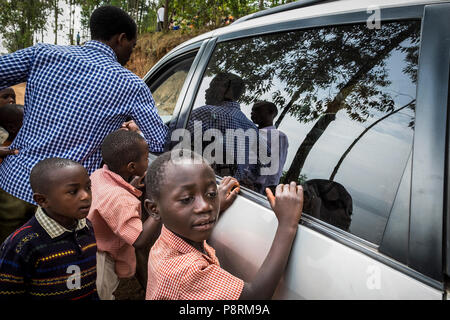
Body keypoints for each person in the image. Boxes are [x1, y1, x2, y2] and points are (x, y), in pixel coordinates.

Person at [0, 6, 168, 242]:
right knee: (57, 273)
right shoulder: (130, 84)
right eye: (132, 45)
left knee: (7, 268)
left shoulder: (42, 54)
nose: (132, 52)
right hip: (66, 203)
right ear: (121, 39)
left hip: (13, 184)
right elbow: (159, 140)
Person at [144, 150, 303, 300]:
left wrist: (216, 204)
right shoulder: (185, 271)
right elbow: (256, 296)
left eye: (211, 194)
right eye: (186, 199)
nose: (206, 206)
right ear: (154, 209)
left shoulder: (167, 240)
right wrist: (287, 224)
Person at [0, 158, 98, 300]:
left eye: (88, 187)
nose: (85, 196)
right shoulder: (22, 244)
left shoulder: (86, 227)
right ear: (42, 200)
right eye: (73, 191)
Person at [87, 130, 161, 300]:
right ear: (131, 167)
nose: (149, 161)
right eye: (146, 157)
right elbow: (139, 240)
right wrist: (161, 210)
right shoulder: (121, 199)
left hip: (91, 247)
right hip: (102, 259)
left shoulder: (99, 175)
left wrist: (131, 185)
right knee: (103, 293)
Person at [187, 72, 264, 190]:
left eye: (212, 86)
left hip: (200, 187)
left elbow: (173, 143)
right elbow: (262, 164)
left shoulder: (205, 113)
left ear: (226, 89)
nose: (207, 91)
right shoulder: (252, 128)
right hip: (236, 194)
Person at [251, 101, 289, 193]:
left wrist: (268, 191)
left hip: (258, 189)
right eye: (252, 111)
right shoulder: (250, 131)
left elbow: (276, 168)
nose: (253, 113)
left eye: (258, 110)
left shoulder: (278, 136)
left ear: (271, 113)